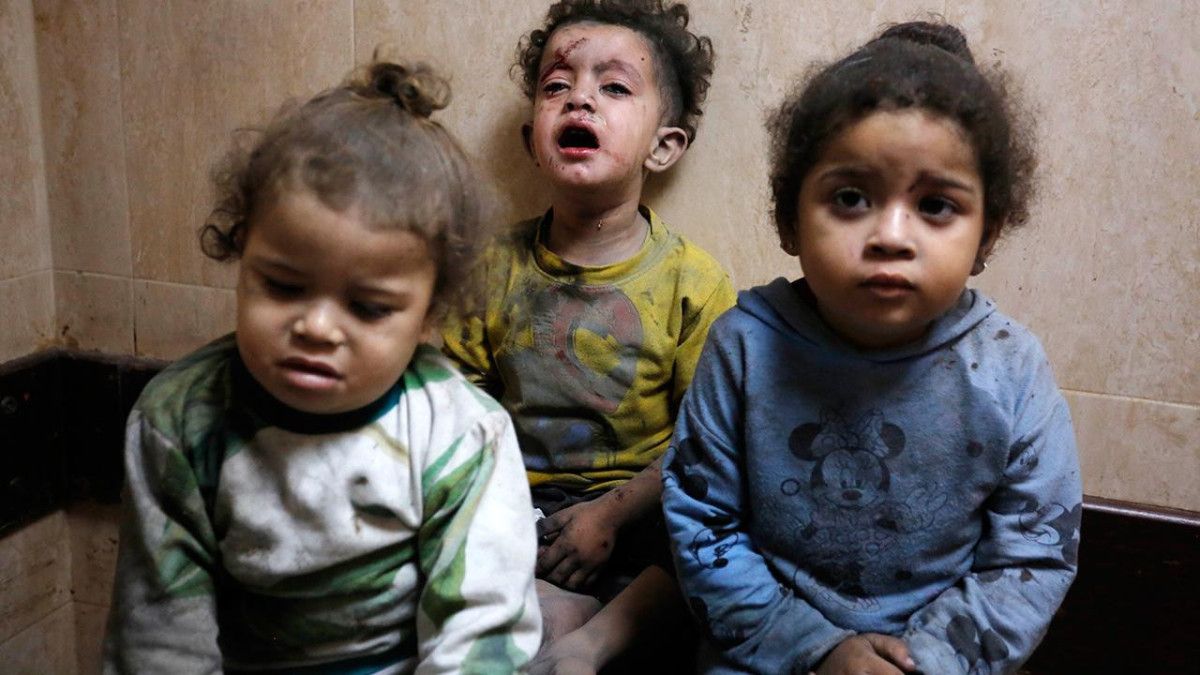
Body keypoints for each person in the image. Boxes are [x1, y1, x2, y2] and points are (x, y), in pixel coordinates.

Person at [662, 21, 1082, 675]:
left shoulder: (1011, 368)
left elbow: (1032, 556)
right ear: (790, 220)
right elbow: (701, 522)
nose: (891, 235)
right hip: (765, 652)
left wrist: (930, 660)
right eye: (851, 197)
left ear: (988, 235)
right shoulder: (743, 347)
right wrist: (817, 650)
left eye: (935, 205)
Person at [103, 61, 541, 674]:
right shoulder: (178, 421)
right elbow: (159, 639)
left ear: (429, 316)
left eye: (368, 308)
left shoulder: (462, 435)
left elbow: (482, 633)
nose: (316, 327)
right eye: (283, 287)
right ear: (242, 253)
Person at [441, 0, 733, 671]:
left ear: (664, 145)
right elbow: (456, 403)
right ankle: (556, 612)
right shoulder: (493, 268)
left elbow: (706, 441)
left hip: (644, 506)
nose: (579, 99)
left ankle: (600, 635)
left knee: (719, 537)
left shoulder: (692, 282)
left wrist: (611, 514)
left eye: (615, 87)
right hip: (521, 504)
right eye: (557, 85)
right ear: (532, 140)